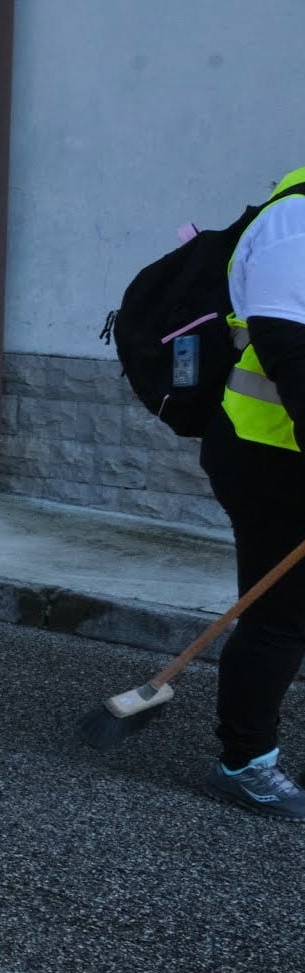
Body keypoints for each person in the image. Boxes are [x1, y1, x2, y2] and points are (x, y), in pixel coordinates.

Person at [200, 165, 305, 820]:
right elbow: (289, 353)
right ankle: (244, 762)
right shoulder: (292, 226)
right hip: (268, 457)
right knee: (280, 614)